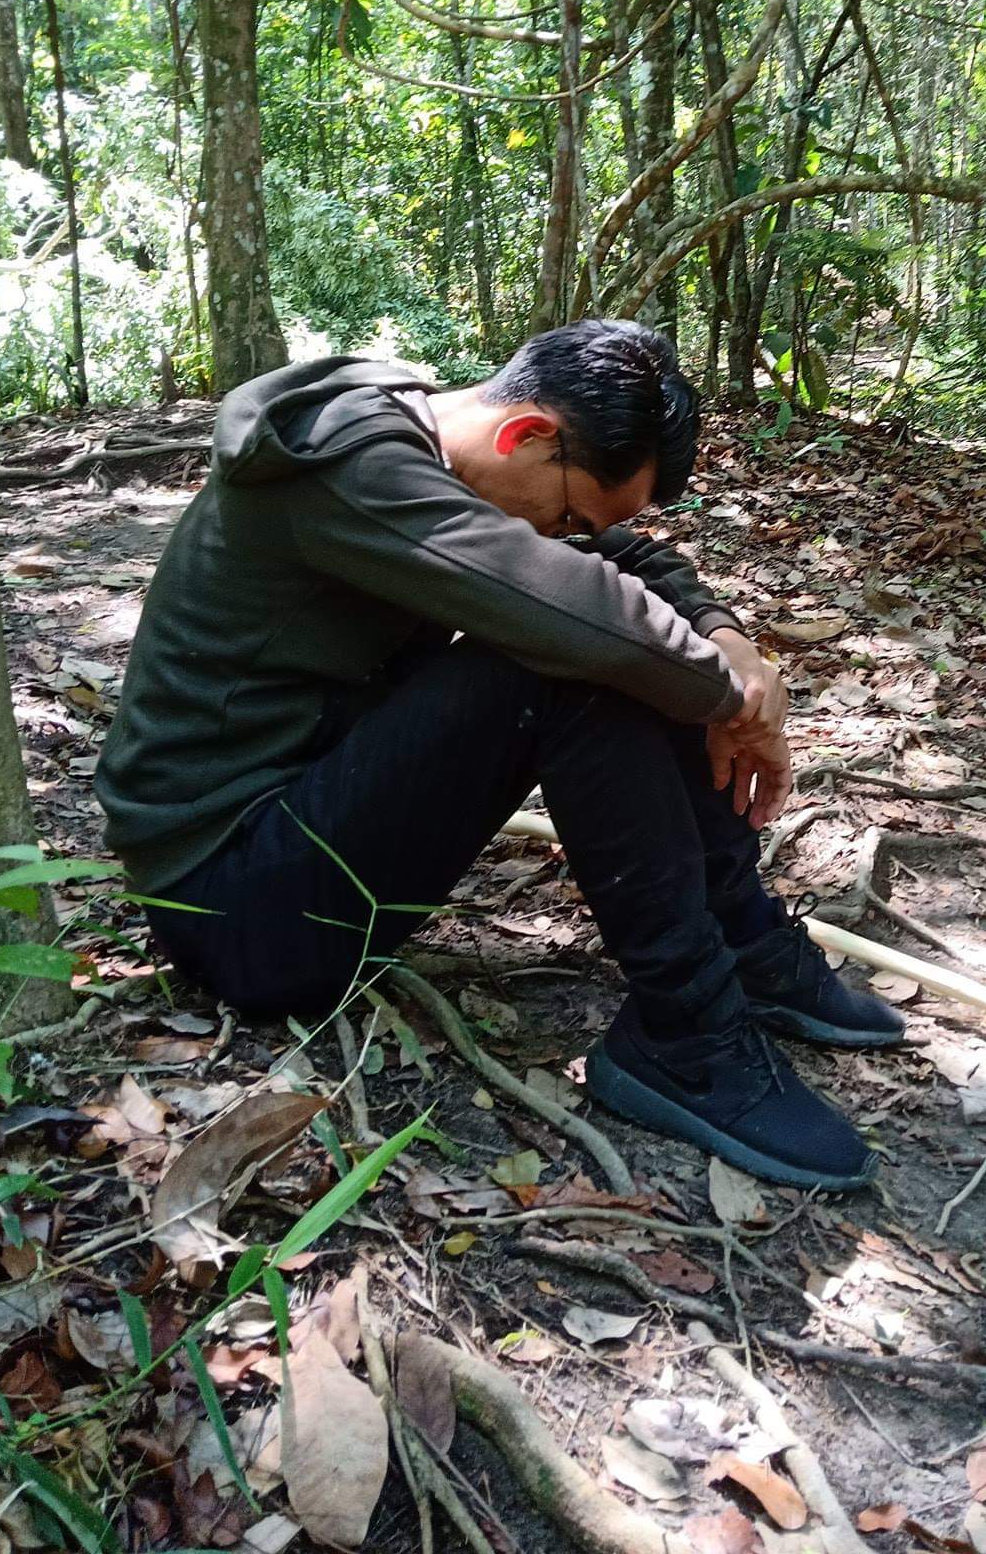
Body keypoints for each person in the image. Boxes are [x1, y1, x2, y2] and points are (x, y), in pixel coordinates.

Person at [95, 320, 903, 1190]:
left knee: (628, 641)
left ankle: (740, 938)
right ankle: (686, 1031)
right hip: (237, 909)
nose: (565, 532)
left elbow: (615, 555)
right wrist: (737, 704)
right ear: (527, 436)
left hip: (307, 832)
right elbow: (585, 610)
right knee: (577, 658)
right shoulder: (353, 466)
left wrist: (729, 643)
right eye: (564, 513)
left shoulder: (441, 447)